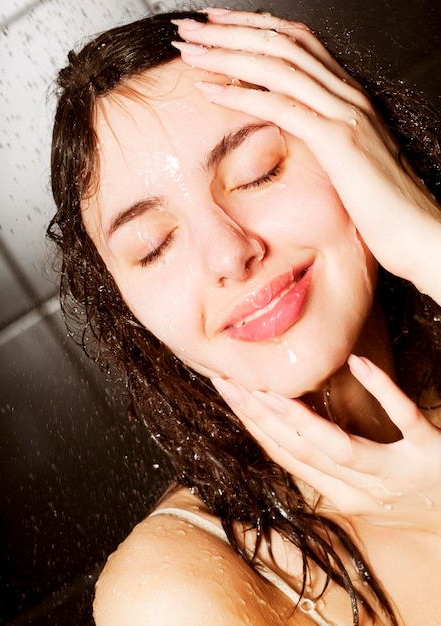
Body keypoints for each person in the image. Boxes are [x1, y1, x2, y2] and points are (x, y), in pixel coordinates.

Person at [48, 7, 441, 625]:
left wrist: (429, 243)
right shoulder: (174, 591)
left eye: (261, 171)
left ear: (361, 153)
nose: (230, 255)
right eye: (153, 245)